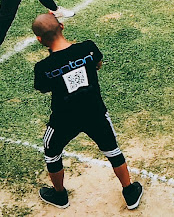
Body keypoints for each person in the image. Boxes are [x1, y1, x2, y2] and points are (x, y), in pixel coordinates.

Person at [31, 13, 143, 209]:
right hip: (95, 112)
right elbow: (97, 64)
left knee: (52, 152)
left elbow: (43, 88)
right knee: (112, 150)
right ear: (62, 26)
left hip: (63, 118)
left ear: (39, 39)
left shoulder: (43, 67)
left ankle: (59, 195)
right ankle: (130, 192)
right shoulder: (88, 48)